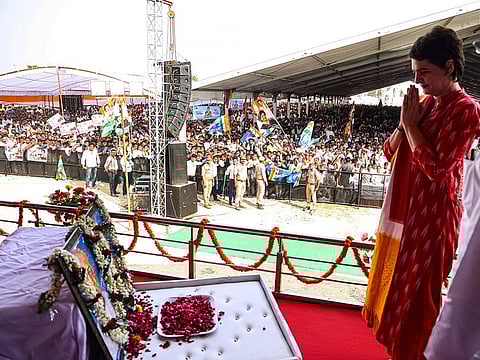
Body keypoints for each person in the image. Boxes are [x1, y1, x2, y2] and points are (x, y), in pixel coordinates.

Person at [361, 26, 480, 360]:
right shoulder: (425, 104)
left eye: (425, 72)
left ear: (450, 67)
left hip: (434, 221)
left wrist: (412, 127)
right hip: (406, 218)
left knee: (419, 304)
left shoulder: (467, 110)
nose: (419, 80)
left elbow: (440, 172)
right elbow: (389, 152)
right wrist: (404, 125)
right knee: (397, 298)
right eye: (415, 73)